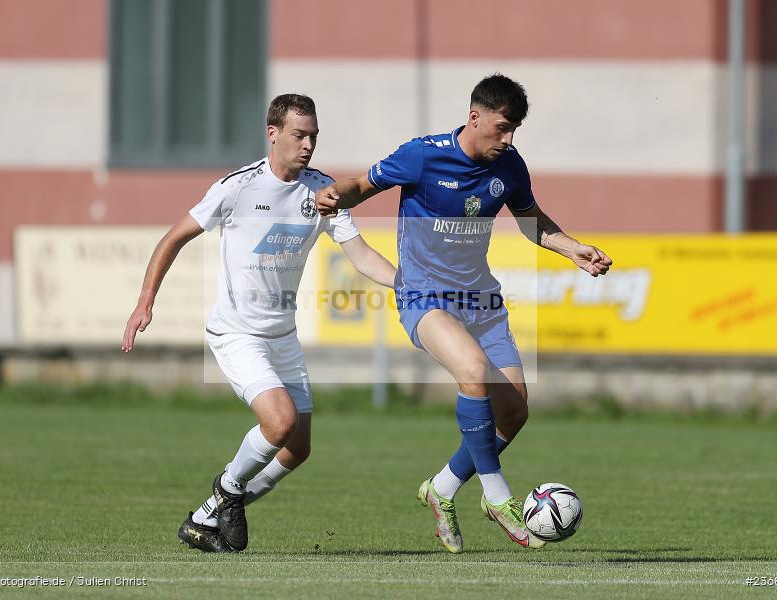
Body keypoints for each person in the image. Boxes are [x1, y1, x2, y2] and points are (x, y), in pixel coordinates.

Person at [315, 74, 612, 553]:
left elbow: (533, 223)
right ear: (475, 117)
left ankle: (443, 488)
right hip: (424, 298)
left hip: (482, 302)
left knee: (513, 411)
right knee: (473, 373)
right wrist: (335, 194)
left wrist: (573, 249)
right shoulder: (423, 154)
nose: (509, 139)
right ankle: (497, 498)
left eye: (514, 129)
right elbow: (362, 185)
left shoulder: (511, 166)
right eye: (502, 128)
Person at [122, 94, 396, 552]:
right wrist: (144, 302)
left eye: (313, 135)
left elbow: (362, 255)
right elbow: (174, 237)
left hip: (282, 337)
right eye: (298, 135)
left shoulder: (322, 190)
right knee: (279, 421)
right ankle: (229, 490)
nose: (308, 144)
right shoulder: (238, 187)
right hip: (237, 334)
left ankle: (204, 518)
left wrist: (406, 283)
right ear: (273, 133)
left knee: (297, 447)